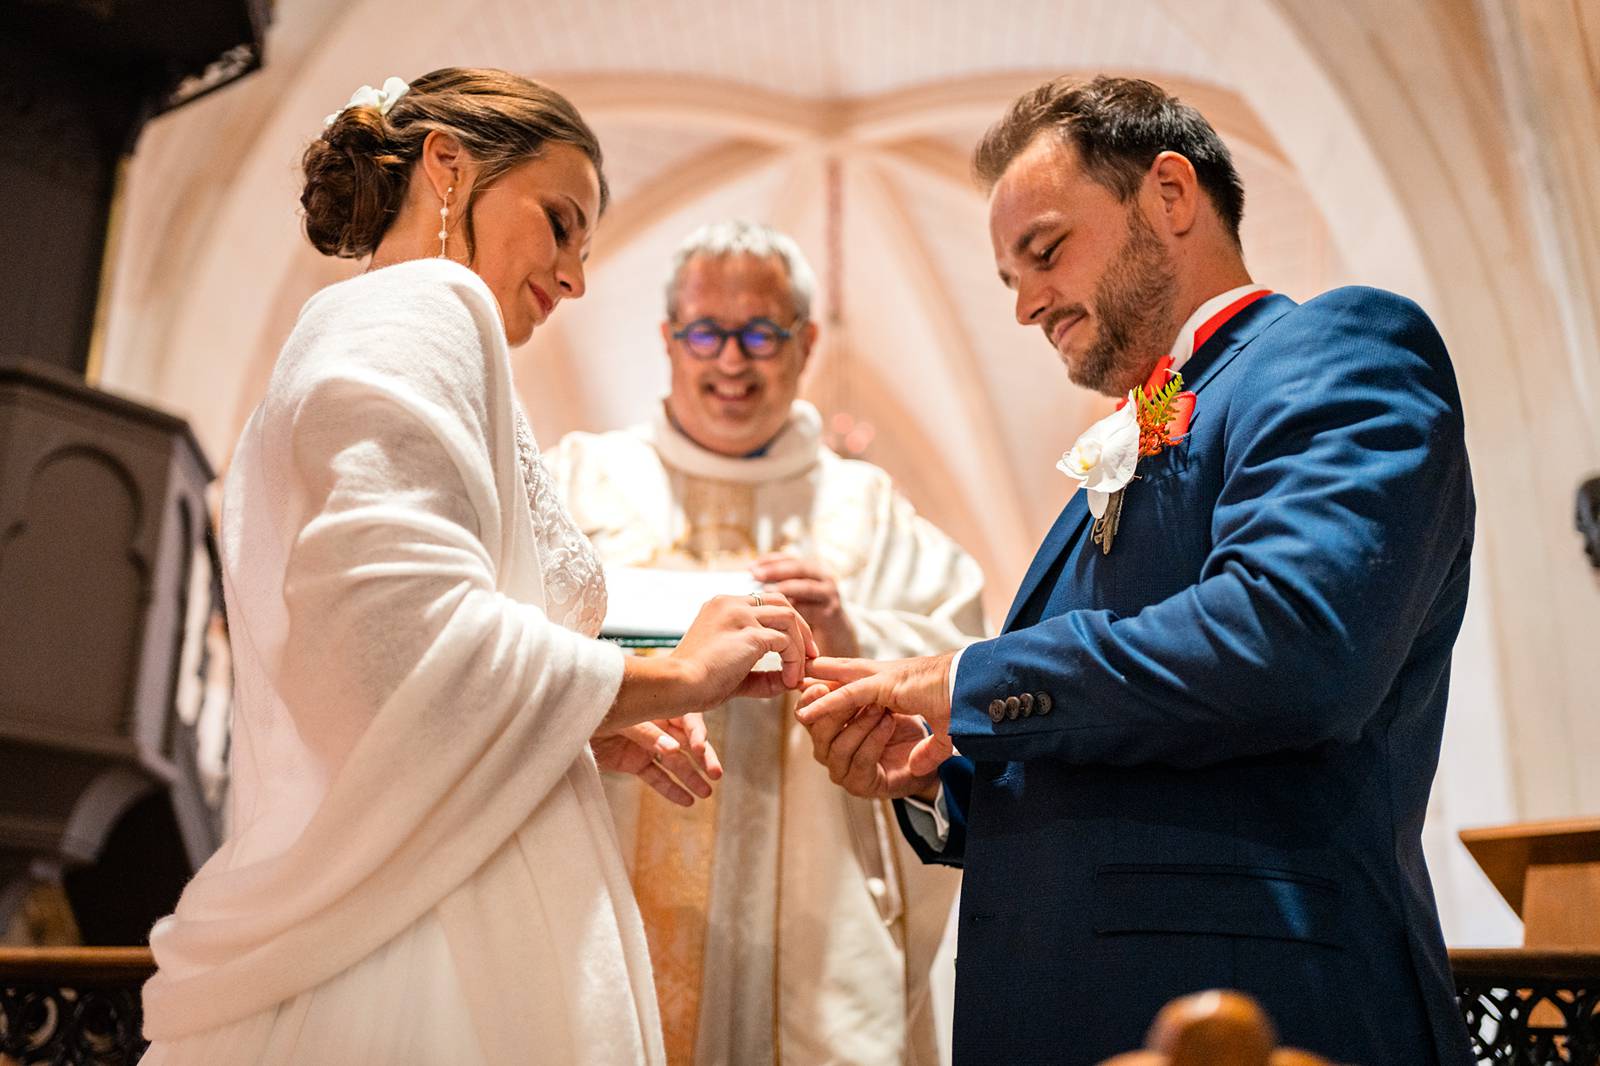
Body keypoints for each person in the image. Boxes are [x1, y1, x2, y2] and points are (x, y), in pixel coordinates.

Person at [796, 76, 1477, 1066]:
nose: (1026, 303)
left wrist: (967, 682)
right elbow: (1115, 734)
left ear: (1168, 194)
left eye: (1042, 251)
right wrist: (943, 766)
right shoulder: (1124, 438)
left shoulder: (1337, 353)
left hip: (1260, 1008)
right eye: (1008, 279)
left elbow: (1286, 644)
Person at [138, 69, 815, 1066]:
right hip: (434, 944)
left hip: (445, 882)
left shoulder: (392, 322)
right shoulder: (420, 312)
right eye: (558, 220)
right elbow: (398, 638)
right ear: (447, 164)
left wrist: (578, 726)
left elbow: (389, 684)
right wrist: (673, 674)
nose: (576, 275)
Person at [547, 220, 985, 1065]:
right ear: (669, 339)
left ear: (807, 342)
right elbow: (509, 646)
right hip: (607, 896)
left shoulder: (868, 510)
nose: (732, 361)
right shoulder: (582, 481)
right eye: (706, 333)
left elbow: (963, 660)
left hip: (814, 930)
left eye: (761, 334)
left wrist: (857, 632)